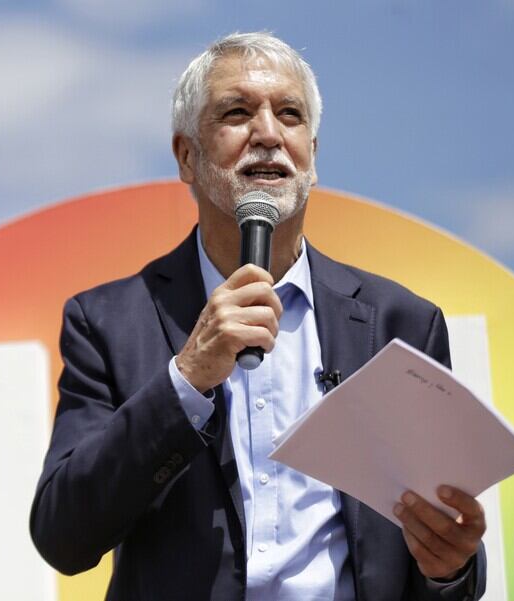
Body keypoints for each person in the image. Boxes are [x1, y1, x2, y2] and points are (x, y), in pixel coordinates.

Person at [30, 32, 487, 601]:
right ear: (187, 156)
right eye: (237, 112)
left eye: (289, 114)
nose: (267, 134)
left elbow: (442, 556)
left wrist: (449, 567)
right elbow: (62, 535)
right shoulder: (108, 323)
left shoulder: (402, 324)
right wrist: (187, 378)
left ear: (312, 156)